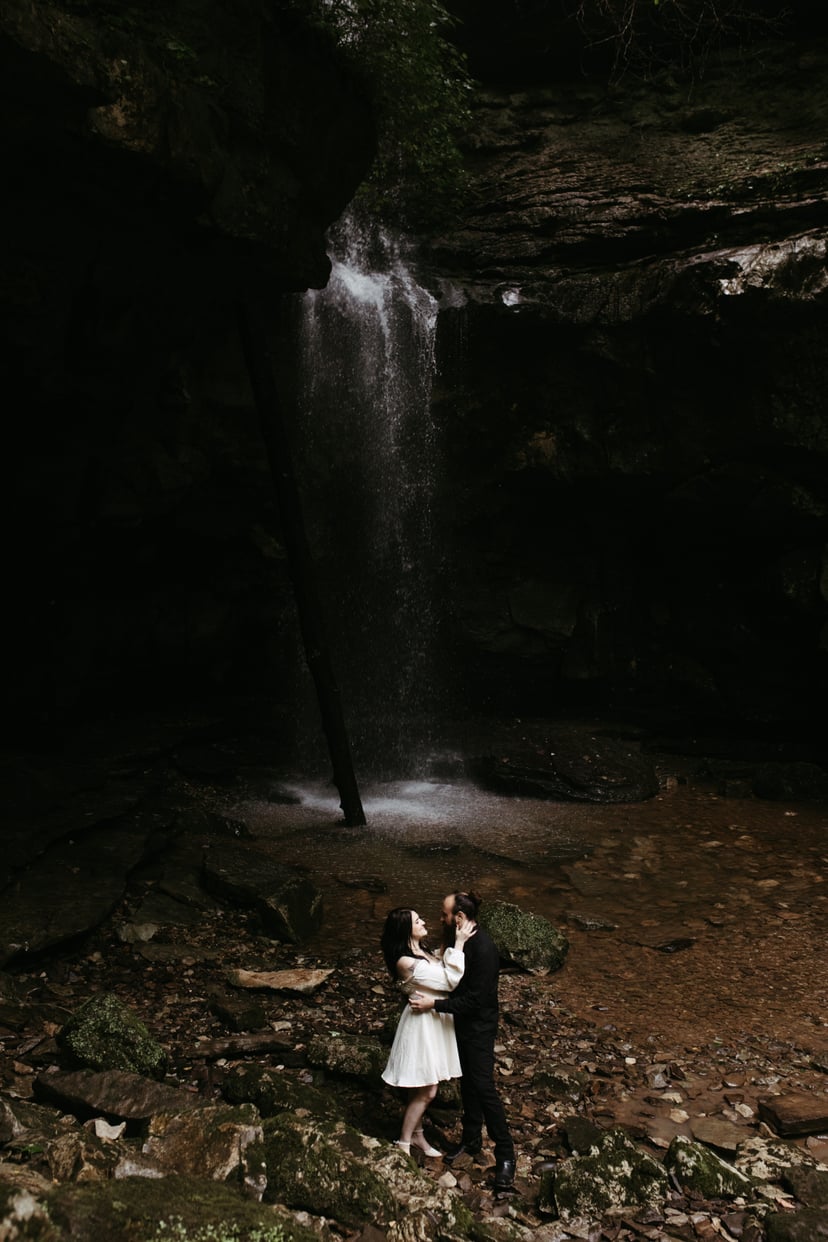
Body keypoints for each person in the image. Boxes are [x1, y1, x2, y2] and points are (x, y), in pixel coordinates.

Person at [409, 891, 516, 1194]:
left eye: (444, 914)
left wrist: (434, 1005)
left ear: (458, 917)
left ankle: (506, 1155)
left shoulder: (483, 948)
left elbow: (474, 1000)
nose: (440, 918)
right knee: (467, 1082)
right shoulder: (457, 940)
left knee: (483, 1086)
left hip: (480, 1026)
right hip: (461, 1022)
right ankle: (471, 1140)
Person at [380, 906, 473, 1157]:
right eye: (417, 920)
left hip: (433, 1020)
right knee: (429, 1088)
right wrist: (460, 943)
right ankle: (403, 1142)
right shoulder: (405, 961)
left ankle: (418, 1136)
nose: (423, 922)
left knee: (420, 1083)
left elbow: (443, 969)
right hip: (421, 1025)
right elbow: (448, 981)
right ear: (405, 930)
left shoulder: (423, 952)